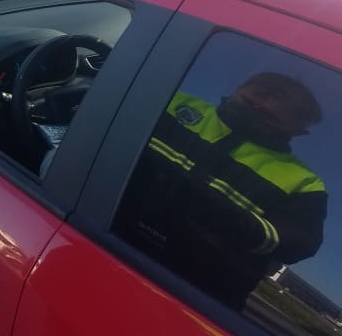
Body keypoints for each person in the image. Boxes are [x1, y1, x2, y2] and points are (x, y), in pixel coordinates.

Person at [114, 71, 327, 310]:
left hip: (190, 299)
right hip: (102, 241)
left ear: (298, 130)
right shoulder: (172, 102)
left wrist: (215, 212)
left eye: (270, 113)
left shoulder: (304, 182)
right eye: (261, 89)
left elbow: (295, 243)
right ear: (239, 85)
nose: (263, 100)